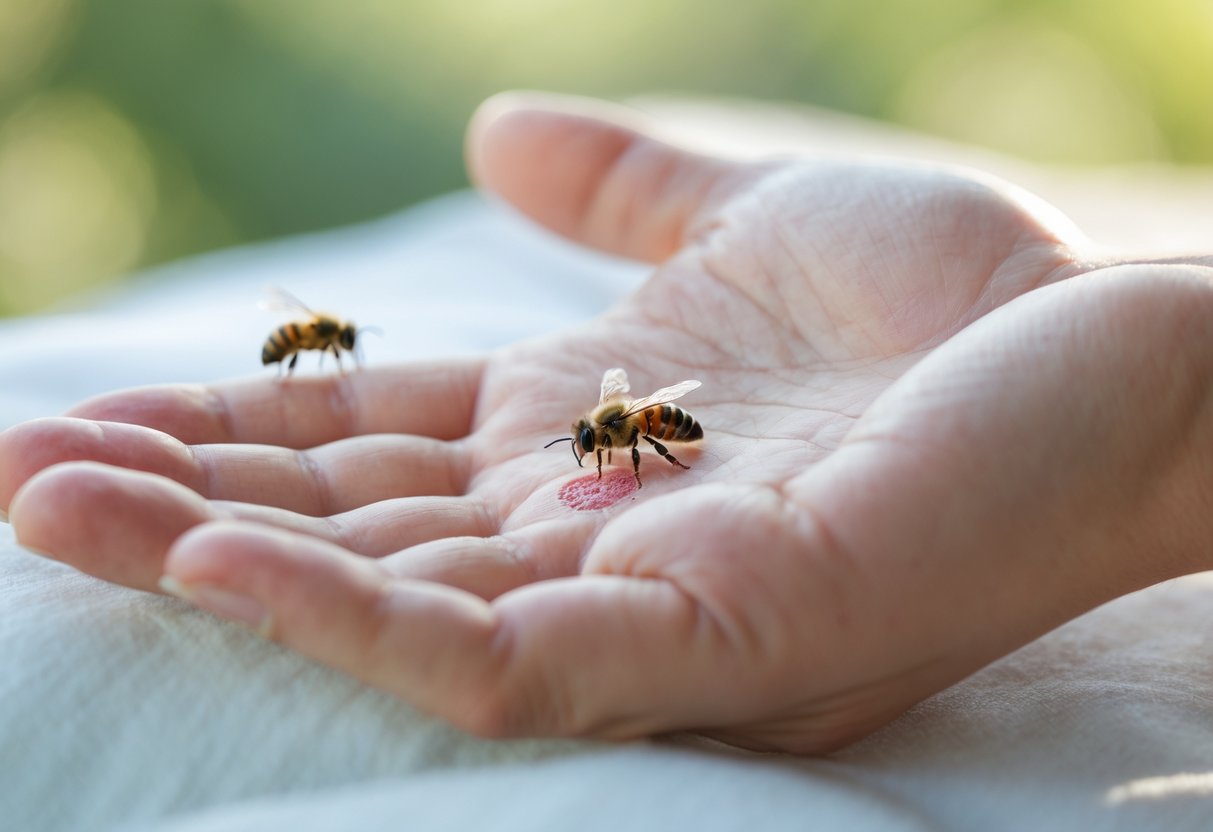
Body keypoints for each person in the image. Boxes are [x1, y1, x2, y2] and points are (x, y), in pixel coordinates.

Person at [1, 92, 1211, 754]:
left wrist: (1158, 385)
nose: (603, 454)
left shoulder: (639, 433)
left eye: (602, 448)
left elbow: (654, 438)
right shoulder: (614, 434)